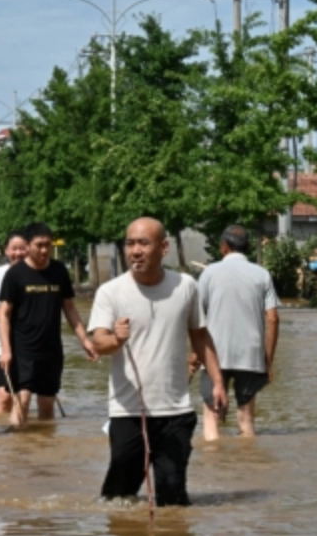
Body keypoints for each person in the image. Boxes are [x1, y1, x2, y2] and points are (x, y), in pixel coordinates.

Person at [87, 217, 228, 507]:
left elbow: (200, 337)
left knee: (173, 497)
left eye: (143, 243)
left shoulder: (186, 286)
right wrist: (117, 339)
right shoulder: (110, 292)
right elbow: (98, 342)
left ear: (164, 248)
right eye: (129, 243)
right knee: (118, 499)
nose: (135, 250)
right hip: (128, 411)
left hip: (175, 409)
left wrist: (217, 382)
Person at [0, 222, 97, 425]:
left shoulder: (59, 271)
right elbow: (4, 314)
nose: (44, 250)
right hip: (22, 349)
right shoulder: (15, 274)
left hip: (51, 349)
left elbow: (69, 308)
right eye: (39, 245)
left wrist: (85, 340)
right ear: (28, 246)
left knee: (47, 404)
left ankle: (45, 451)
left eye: (47, 245)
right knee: (22, 400)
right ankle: (15, 451)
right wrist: (6, 350)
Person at [195, 225, 280, 440]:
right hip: (250, 355)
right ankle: (248, 464)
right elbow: (273, 318)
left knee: (212, 416)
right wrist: (268, 361)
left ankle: (216, 467)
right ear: (248, 248)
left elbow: (197, 317)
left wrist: (195, 354)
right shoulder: (262, 274)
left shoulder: (209, 273)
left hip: (215, 353)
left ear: (224, 247)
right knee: (246, 420)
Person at [0, 229, 27, 414]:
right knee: (4, 396)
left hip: (27, 345)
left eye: (22, 248)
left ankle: (20, 440)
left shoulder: (36, 275)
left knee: (22, 397)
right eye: (14, 249)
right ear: (6, 251)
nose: (18, 253)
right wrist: (10, 316)